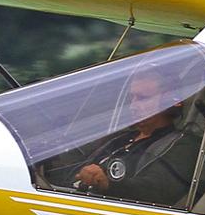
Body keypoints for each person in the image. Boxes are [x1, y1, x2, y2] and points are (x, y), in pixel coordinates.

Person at [74, 70, 194, 205]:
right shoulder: (120, 138)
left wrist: (107, 184)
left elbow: (157, 191)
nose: (132, 106)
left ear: (170, 101)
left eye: (143, 98)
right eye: (132, 98)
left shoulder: (180, 146)